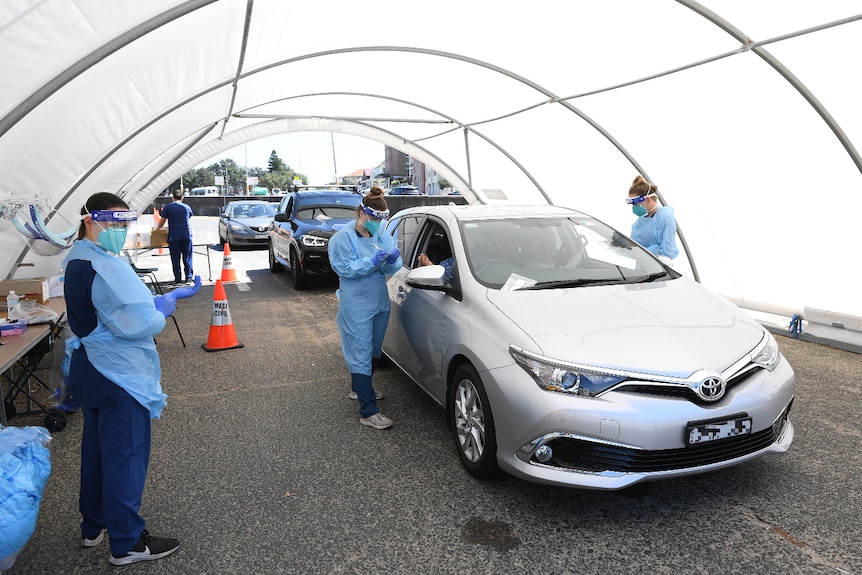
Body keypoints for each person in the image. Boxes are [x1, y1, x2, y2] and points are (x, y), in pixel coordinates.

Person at [62, 192, 201, 566]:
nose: (121, 231)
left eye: (126, 223)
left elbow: (111, 310)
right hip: (117, 373)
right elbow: (138, 322)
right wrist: (164, 307)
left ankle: (94, 526)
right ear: (92, 219)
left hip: (89, 367)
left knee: (95, 452)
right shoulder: (108, 266)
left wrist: (151, 304)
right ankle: (127, 544)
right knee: (124, 456)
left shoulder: (78, 256)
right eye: (115, 223)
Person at [328, 186, 402, 430]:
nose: (375, 224)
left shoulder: (381, 235)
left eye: (380, 220)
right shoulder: (343, 238)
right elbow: (345, 268)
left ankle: (357, 388)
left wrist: (392, 261)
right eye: (372, 218)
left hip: (378, 299)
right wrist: (371, 262)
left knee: (372, 347)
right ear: (361, 212)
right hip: (356, 302)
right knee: (359, 349)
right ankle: (368, 411)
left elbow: (392, 267)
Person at [626, 175, 679, 264]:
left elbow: (667, 251)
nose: (634, 207)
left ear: (647, 199)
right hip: (641, 268)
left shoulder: (665, 216)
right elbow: (633, 250)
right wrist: (622, 245)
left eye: (635, 203)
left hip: (661, 269)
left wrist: (643, 252)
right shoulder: (638, 224)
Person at [154, 189, 194, 283]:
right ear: (182, 198)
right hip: (186, 235)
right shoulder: (187, 207)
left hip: (174, 236)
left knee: (175, 259)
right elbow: (189, 217)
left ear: (172, 198)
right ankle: (188, 278)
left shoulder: (168, 207)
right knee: (187, 257)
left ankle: (178, 279)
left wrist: (156, 230)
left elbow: (162, 222)